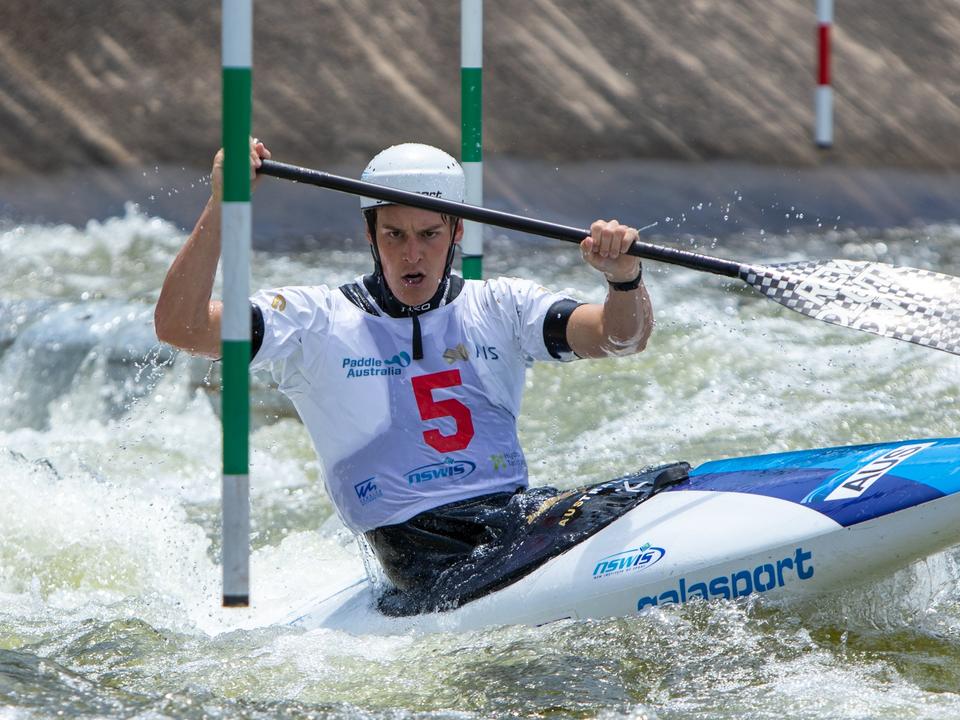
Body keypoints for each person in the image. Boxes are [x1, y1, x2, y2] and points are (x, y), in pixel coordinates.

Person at [155, 140, 654, 612]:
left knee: (647, 489)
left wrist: (623, 277)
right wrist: (223, 204)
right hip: (417, 555)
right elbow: (182, 326)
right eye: (394, 235)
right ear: (369, 234)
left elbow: (620, 337)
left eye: (429, 235)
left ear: (457, 232)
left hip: (508, 522)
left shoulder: (501, 305)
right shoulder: (315, 321)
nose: (411, 255)